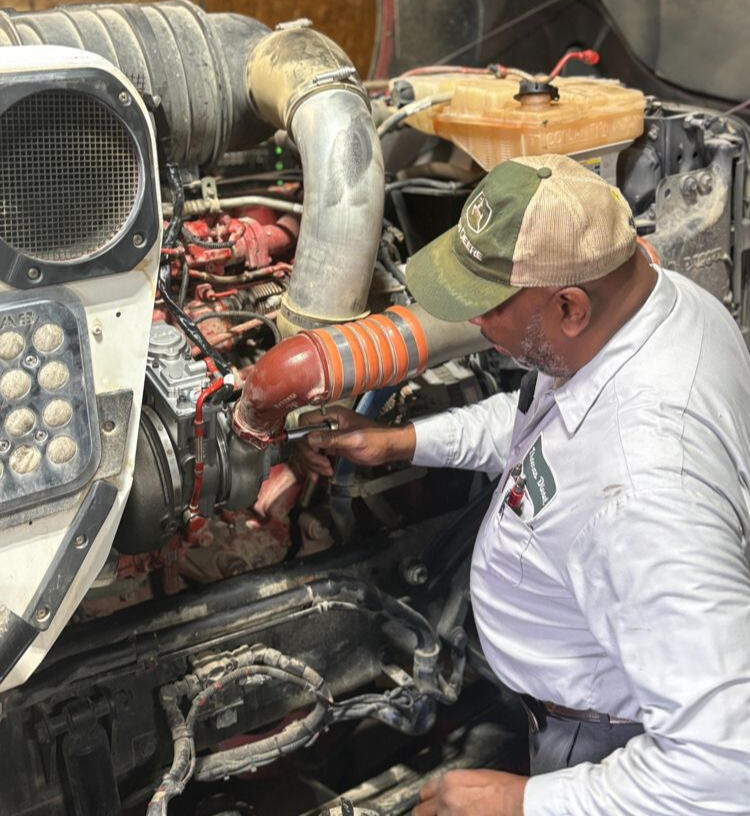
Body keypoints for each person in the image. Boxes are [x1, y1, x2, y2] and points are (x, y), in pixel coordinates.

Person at [296, 154, 750, 816]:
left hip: (599, 745)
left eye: (487, 307)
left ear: (569, 307)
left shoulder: (648, 491)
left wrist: (526, 801)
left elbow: (724, 764)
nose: (473, 323)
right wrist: (403, 441)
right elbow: (541, 425)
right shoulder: (657, 304)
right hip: (559, 697)